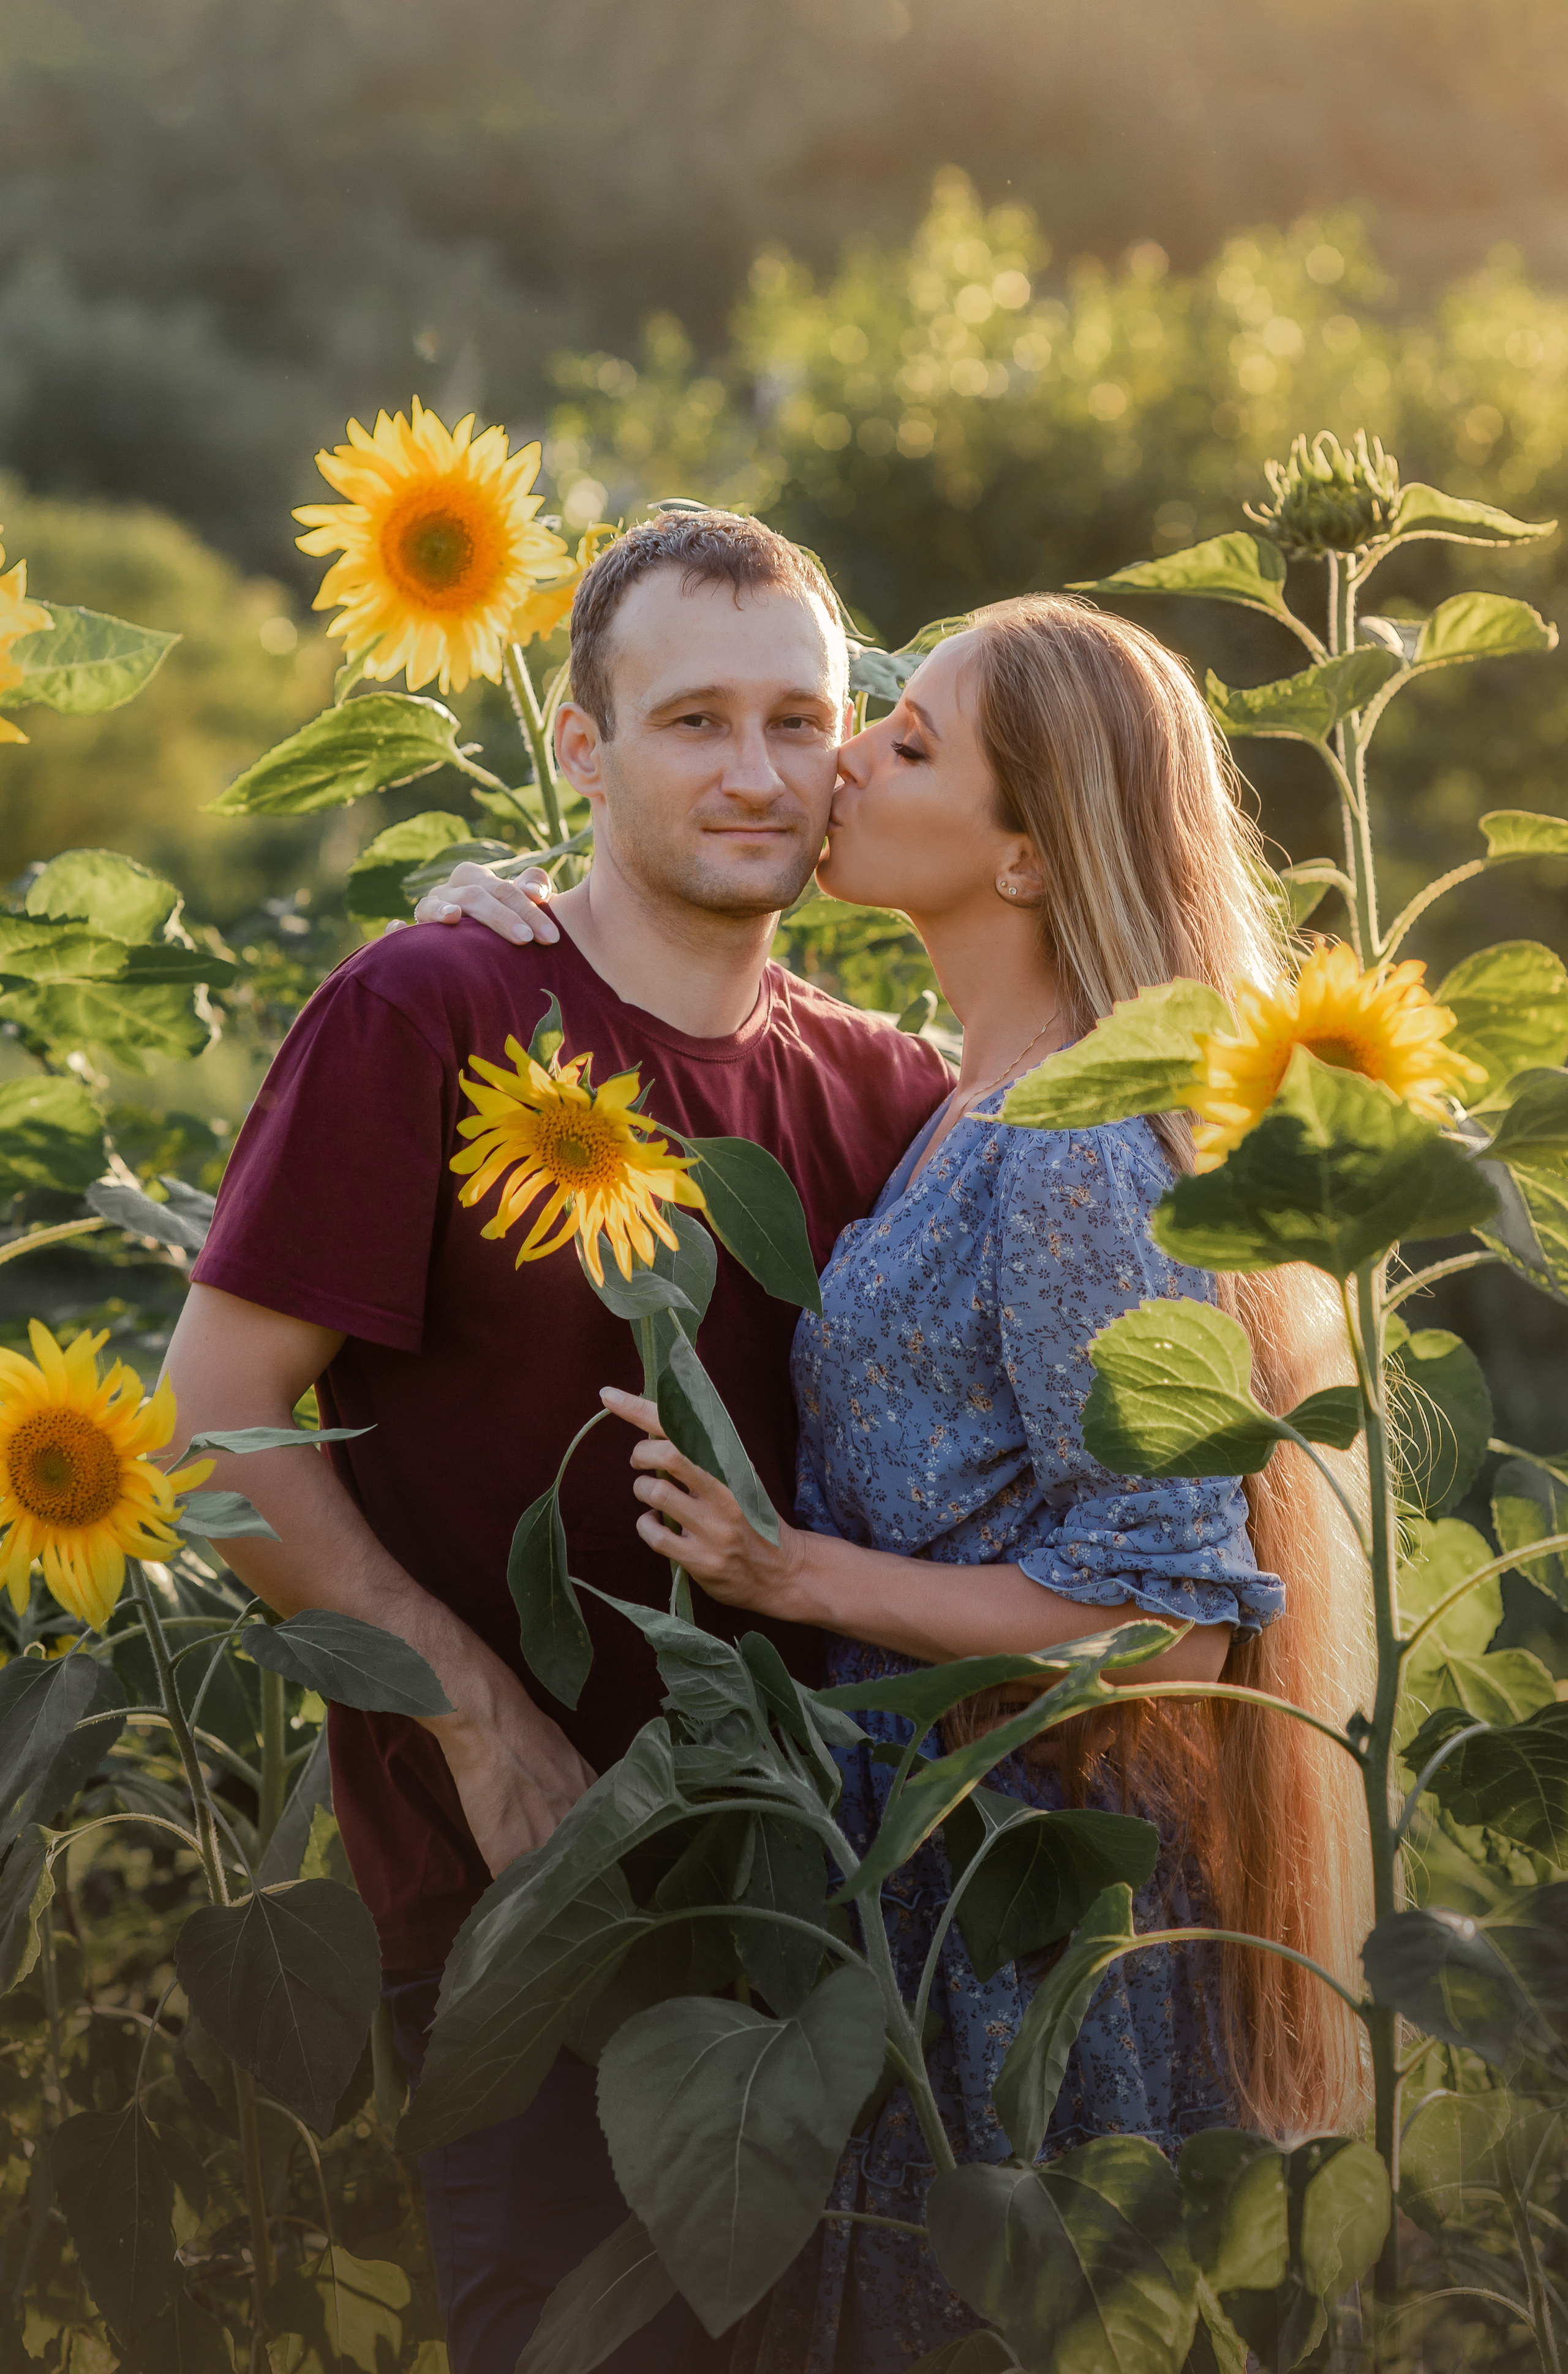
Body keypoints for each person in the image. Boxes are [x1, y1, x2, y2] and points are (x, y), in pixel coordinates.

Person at [439, 594, 1373, 2372]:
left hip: (1032, 1938)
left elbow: (1169, 1624)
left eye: (908, 741)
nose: (842, 755)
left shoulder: (1078, 1147)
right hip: (925, 1901)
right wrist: (499, 921)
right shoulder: (958, 1098)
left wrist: (799, 1578)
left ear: (1026, 856)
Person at [160, 510, 954, 2374]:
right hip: (532, 1923)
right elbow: (212, 1425)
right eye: (691, 721)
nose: (756, 773)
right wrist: (472, 1713)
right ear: (580, 750)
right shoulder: (429, 1007)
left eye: (797, 718)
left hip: (831, 1937)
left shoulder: (887, 1089)